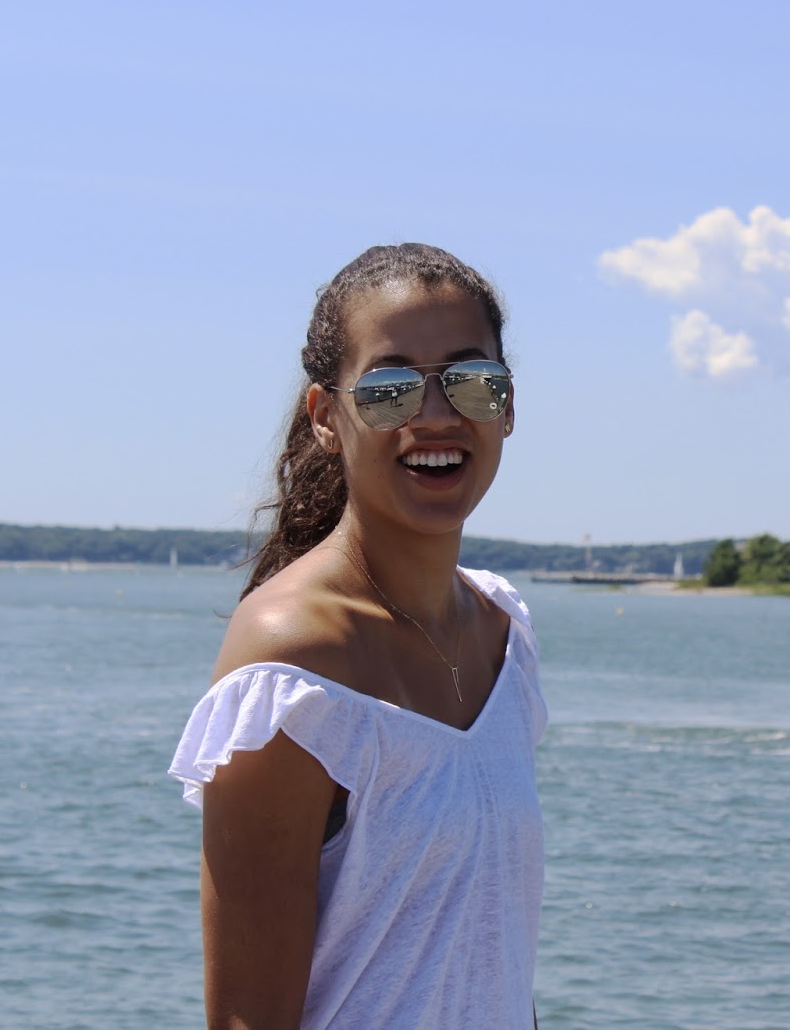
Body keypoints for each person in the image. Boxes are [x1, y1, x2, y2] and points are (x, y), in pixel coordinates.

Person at [168, 244, 546, 1029]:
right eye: (389, 390)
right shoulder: (291, 667)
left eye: (471, 381)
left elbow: (493, 959)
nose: (435, 416)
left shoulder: (504, 632)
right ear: (325, 419)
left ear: (506, 406)